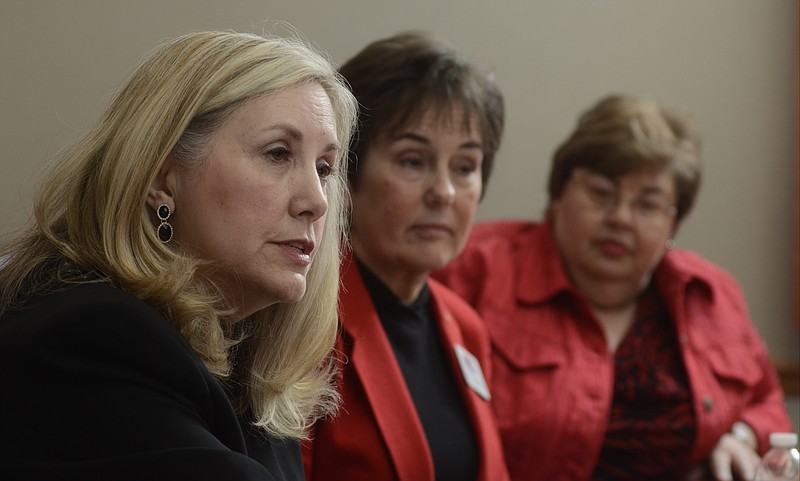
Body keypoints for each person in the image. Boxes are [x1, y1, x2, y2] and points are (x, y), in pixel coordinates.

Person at [0, 30, 357, 480]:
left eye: (325, 169)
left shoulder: (247, 367)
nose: (317, 201)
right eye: (278, 154)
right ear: (161, 177)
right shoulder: (91, 338)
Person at [433, 94, 794, 481]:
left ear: (675, 223)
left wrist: (739, 436)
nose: (620, 219)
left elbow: (766, 400)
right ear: (558, 193)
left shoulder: (710, 293)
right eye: (601, 194)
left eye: (647, 205)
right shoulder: (472, 270)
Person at [301, 31, 509, 481]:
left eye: (465, 167)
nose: (444, 193)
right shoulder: (302, 322)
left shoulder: (467, 327)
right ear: (347, 172)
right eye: (413, 161)